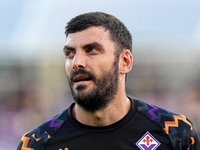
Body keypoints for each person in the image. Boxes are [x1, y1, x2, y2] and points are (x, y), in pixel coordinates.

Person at [17, 12, 200, 150]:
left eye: (92, 50)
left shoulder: (176, 132)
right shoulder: (37, 143)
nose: (77, 62)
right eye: (70, 53)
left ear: (125, 61)